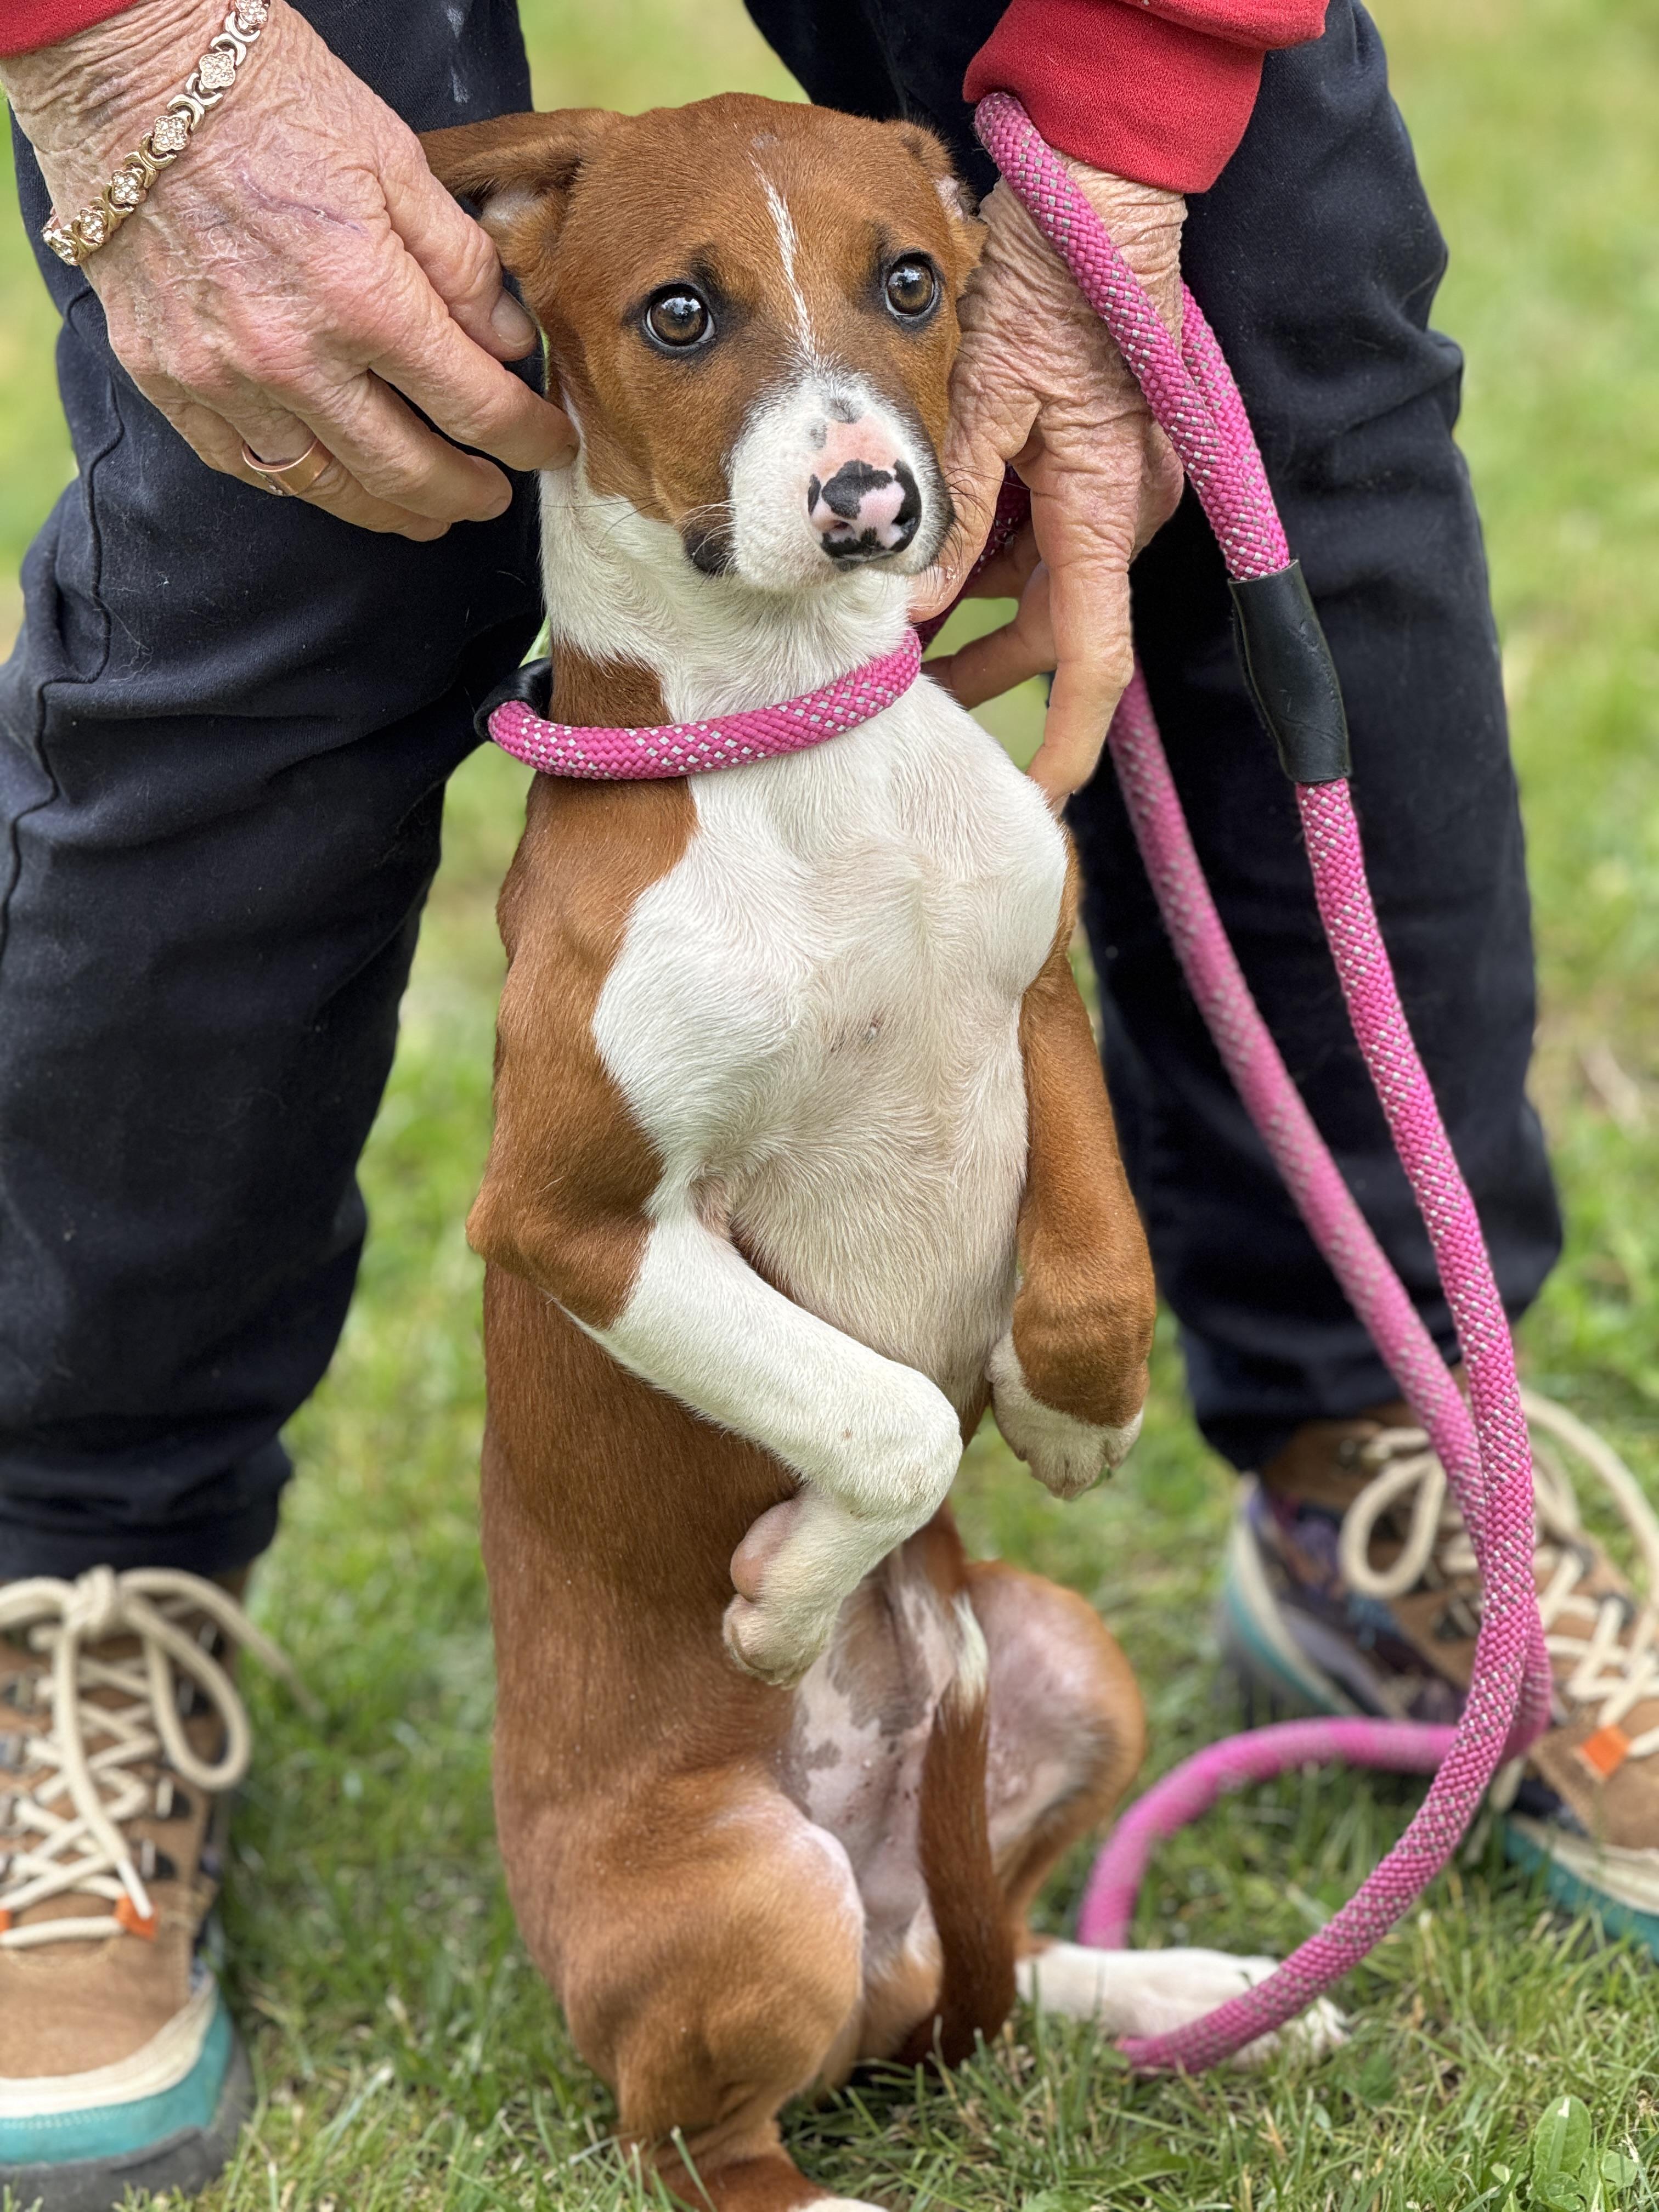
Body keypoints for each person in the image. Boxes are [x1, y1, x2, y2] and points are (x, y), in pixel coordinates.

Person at [0, 0, 1651, 2203]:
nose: (858, 451)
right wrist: (121, 50)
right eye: (687, 318)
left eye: (901, 293)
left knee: (1259, 328)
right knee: (287, 502)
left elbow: (1020, 974)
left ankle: (1386, 1441)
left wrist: (1140, 97)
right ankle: (84, 1588)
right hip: (716, 1660)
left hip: (899, 1584)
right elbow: (563, 1225)